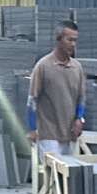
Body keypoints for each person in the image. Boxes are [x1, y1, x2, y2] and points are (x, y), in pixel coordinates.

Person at [28, 20, 85, 158]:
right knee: (52, 171)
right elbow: (32, 100)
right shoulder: (43, 66)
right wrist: (32, 129)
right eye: (69, 40)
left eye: (75, 40)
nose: (73, 44)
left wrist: (79, 119)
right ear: (58, 39)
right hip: (48, 136)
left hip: (70, 135)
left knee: (70, 170)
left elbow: (81, 98)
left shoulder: (77, 68)